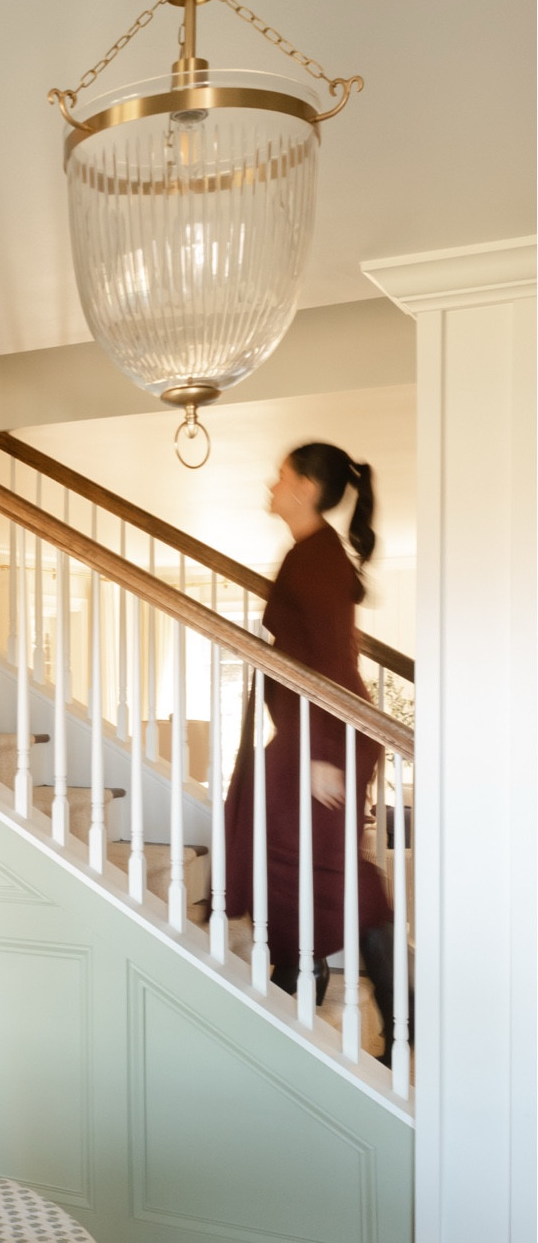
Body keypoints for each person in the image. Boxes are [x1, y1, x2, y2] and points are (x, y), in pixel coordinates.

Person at [224, 443, 404, 1062]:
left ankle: (405, 1015)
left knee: (324, 870)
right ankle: (296, 984)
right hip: (309, 734)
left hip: (324, 737)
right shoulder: (311, 554)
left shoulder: (319, 559)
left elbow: (333, 658)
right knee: (293, 863)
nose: (271, 485)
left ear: (304, 486)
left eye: (281, 476)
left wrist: (325, 750)